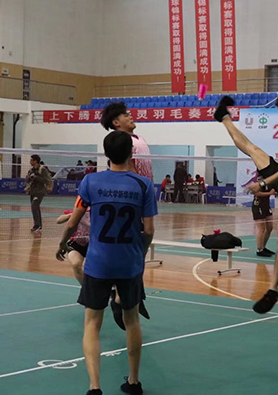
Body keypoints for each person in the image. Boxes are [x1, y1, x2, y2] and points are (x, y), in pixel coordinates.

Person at [58, 131, 157, 395]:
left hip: (98, 264)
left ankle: (94, 387)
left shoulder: (90, 181)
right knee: (132, 320)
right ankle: (134, 382)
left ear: (105, 154)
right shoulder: (144, 185)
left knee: (92, 323)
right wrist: (140, 254)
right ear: (131, 153)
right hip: (129, 264)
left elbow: (73, 221)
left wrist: (62, 244)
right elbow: (149, 230)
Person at [214, 87, 278, 313]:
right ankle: (223, 117)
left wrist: (262, 184)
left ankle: (273, 289)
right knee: (252, 148)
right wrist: (274, 166)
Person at [100, 102, 155, 330]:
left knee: (139, 254)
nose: (130, 116)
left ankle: (136, 297)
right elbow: (127, 169)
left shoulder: (138, 138)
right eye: (125, 115)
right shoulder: (122, 143)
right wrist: (139, 195)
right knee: (134, 253)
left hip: (144, 198)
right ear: (116, 123)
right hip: (134, 203)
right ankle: (119, 298)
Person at [55, 208, 91, 284]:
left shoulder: (97, 215)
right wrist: (71, 216)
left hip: (93, 245)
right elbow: (58, 220)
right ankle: (86, 288)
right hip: (76, 244)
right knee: (76, 264)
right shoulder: (79, 211)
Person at [25, 155, 52, 233]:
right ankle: (38, 225)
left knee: (34, 206)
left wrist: (36, 177)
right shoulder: (31, 170)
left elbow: (47, 180)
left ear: (35, 161)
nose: (30, 161)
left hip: (39, 192)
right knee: (35, 208)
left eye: (31, 160)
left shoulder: (42, 169)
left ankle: (37, 225)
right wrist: (30, 177)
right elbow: (27, 180)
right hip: (32, 191)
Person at [252, 178, 276, 257]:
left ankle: (263, 246)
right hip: (258, 206)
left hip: (266, 206)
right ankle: (259, 249)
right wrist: (269, 193)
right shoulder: (260, 180)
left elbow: (274, 190)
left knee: (270, 227)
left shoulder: (271, 180)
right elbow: (256, 193)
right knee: (261, 228)